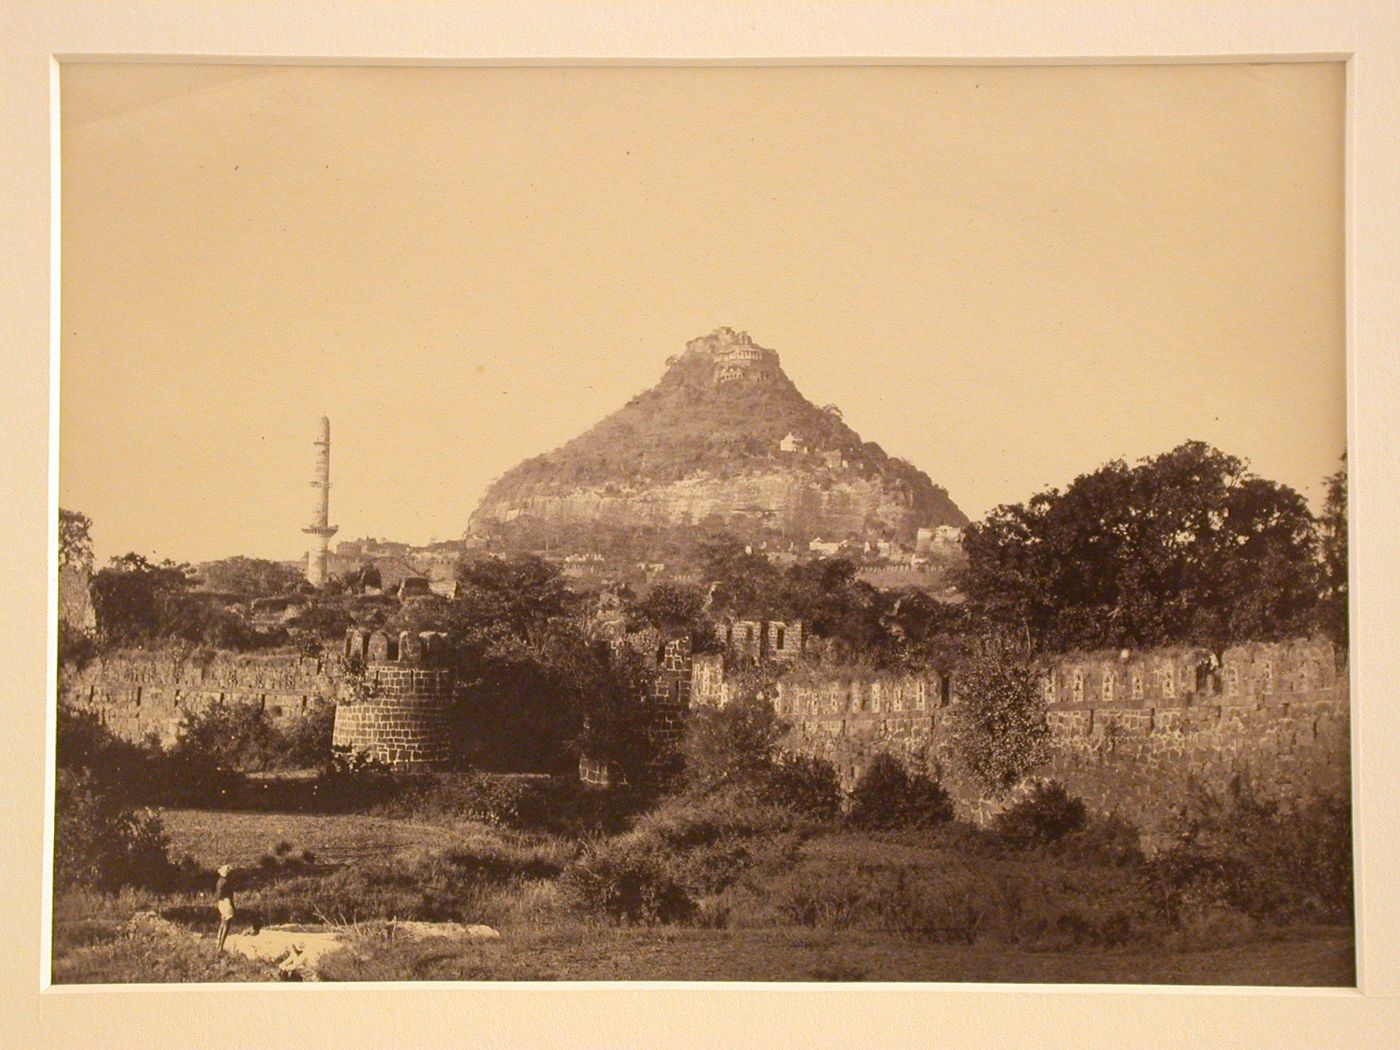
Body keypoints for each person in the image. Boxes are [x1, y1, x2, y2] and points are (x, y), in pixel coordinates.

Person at [214, 863, 236, 953]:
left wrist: (218, 901)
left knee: (222, 922)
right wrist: (232, 905)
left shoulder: (220, 881)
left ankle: (218, 941)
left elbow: (218, 894)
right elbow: (230, 896)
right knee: (227, 924)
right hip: (226, 902)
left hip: (221, 902)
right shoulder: (227, 882)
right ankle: (221, 946)